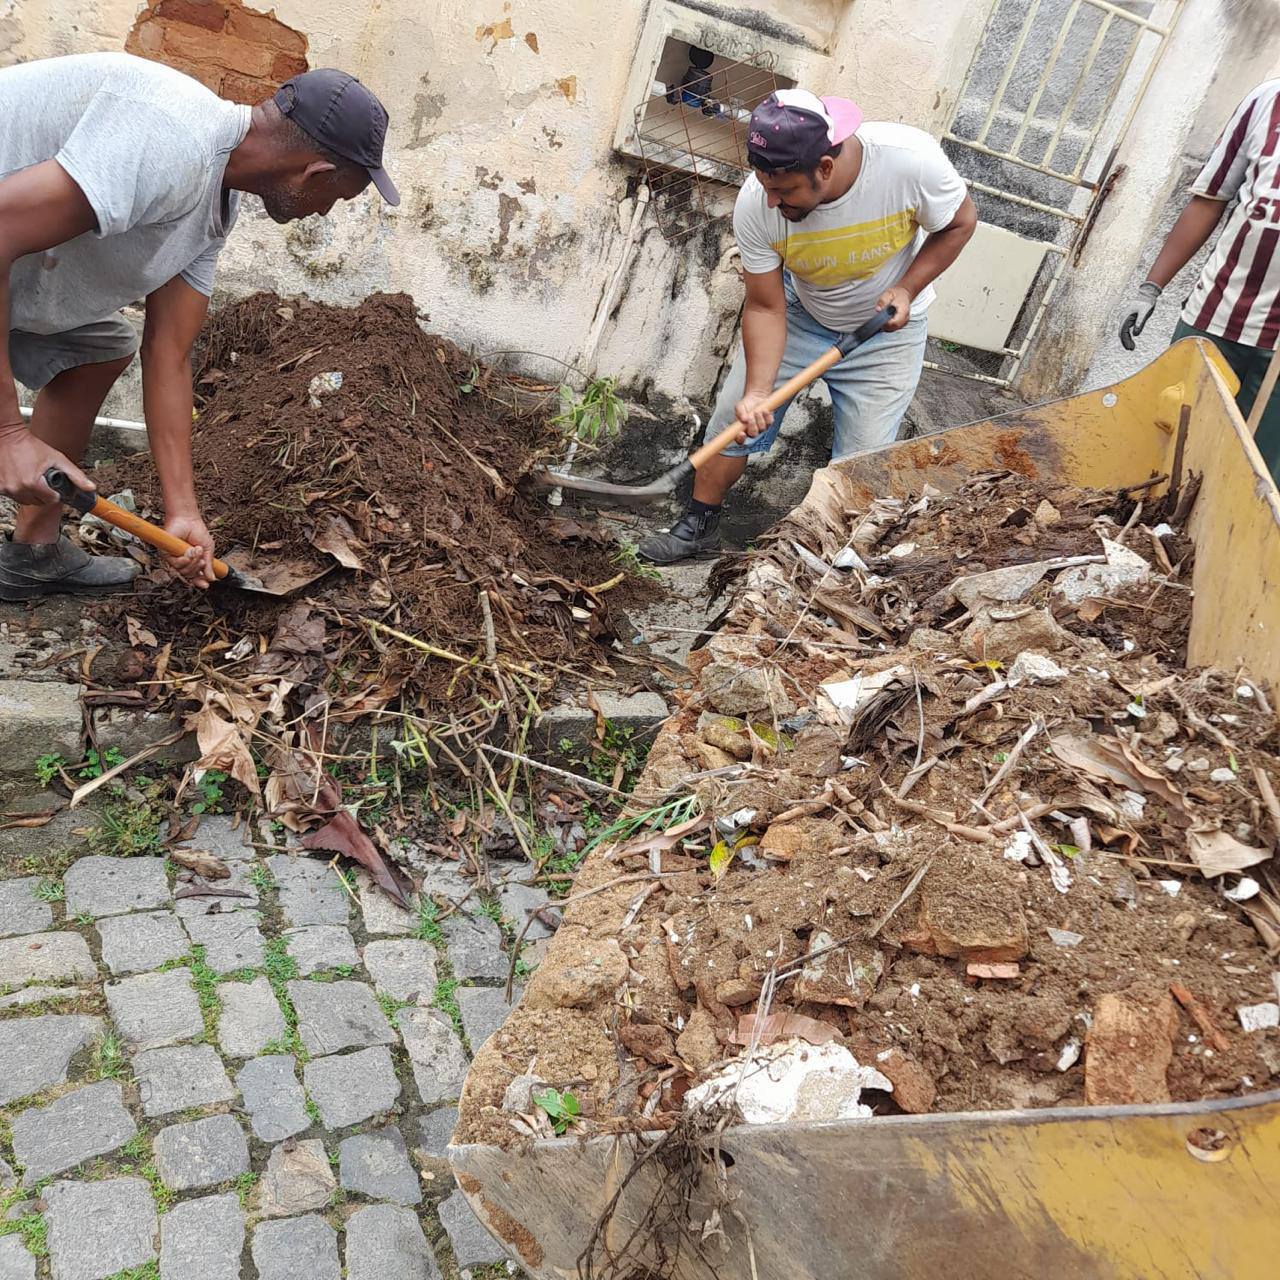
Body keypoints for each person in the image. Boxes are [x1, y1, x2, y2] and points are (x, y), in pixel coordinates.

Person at [0, 51, 399, 601]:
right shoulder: (176, 140)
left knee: (101, 347)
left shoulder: (214, 206)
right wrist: (7, 435)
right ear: (317, 173)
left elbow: (168, 352)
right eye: (339, 196)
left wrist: (181, 510)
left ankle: (32, 553)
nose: (326, 211)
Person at [639, 88, 976, 565]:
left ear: (824, 167)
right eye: (765, 185)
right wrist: (757, 393)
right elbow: (764, 307)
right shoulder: (757, 204)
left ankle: (831, 562)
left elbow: (960, 223)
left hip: (883, 335)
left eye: (785, 190)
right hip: (801, 314)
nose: (772, 202)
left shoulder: (909, 162)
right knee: (731, 425)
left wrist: (907, 286)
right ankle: (698, 525)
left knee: (864, 461)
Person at [1120, 80, 1280, 481]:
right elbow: (1210, 199)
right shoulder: (1266, 100)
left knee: (1256, 479)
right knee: (1168, 449)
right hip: (1215, 319)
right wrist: (1150, 288)